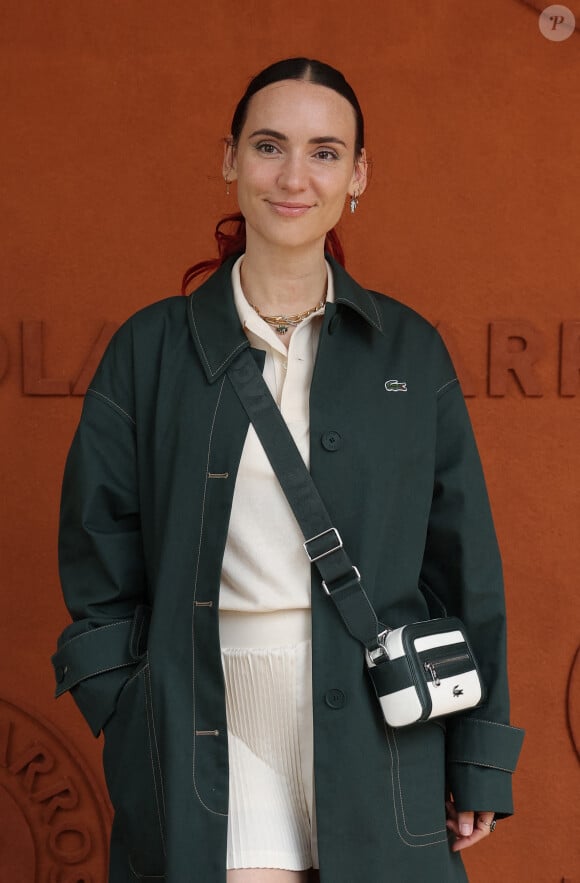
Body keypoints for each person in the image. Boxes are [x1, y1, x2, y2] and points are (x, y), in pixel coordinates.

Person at [52, 57, 524, 883]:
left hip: (380, 725)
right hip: (205, 717)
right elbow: (97, 548)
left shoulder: (409, 351)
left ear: (359, 174)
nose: (295, 176)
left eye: (326, 151)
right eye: (269, 146)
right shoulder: (150, 349)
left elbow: (463, 566)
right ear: (230, 158)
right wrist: (129, 706)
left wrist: (478, 753)